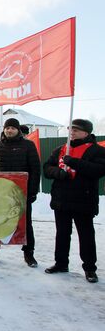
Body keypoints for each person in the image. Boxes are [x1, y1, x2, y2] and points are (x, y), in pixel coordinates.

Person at [43, 119, 105, 283]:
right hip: (61, 200)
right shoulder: (61, 149)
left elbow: (98, 170)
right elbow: (47, 169)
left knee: (86, 235)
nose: (72, 132)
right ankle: (61, 263)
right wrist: (57, 172)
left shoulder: (97, 150)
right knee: (62, 234)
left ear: (86, 133)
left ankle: (90, 268)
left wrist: (74, 162)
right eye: (71, 129)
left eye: (76, 130)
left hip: (83, 200)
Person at [0, 118, 41, 267]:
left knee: (25, 223)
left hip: (22, 193)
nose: (9, 131)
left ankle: (29, 254)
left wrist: (32, 191)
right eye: (7, 128)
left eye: (12, 128)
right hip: (0, 193)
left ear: (18, 130)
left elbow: (35, 169)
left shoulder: (28, 145)